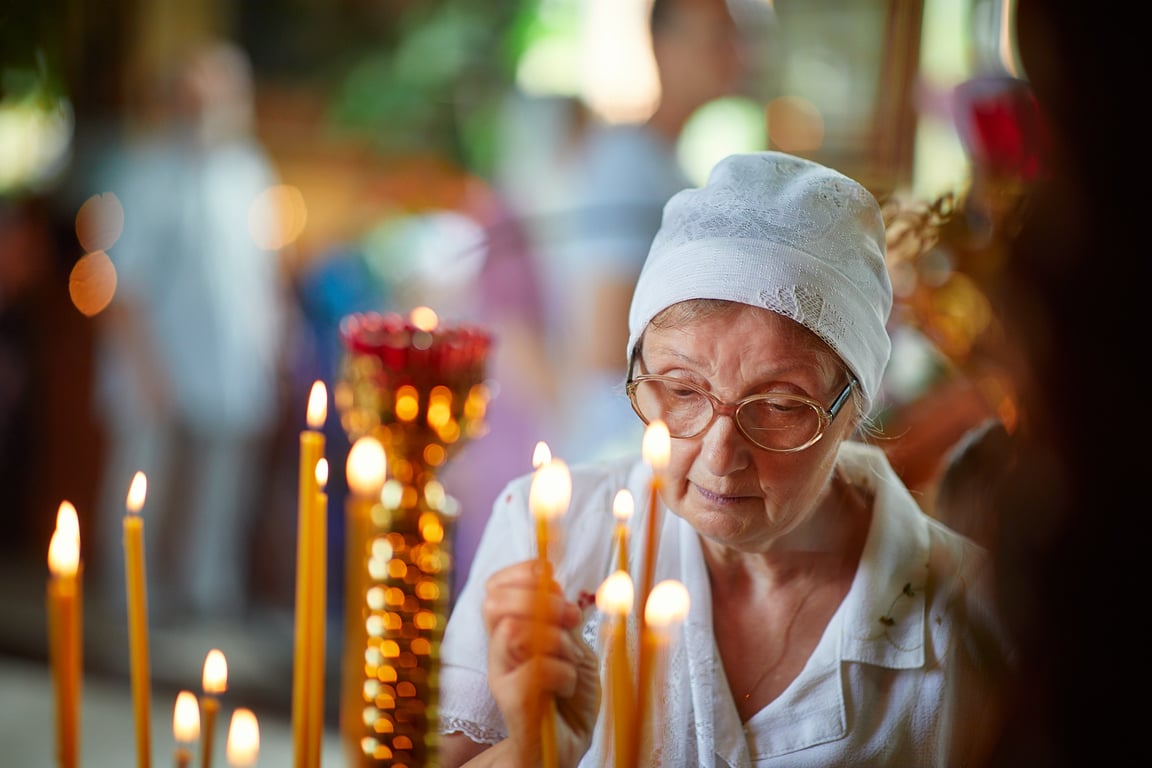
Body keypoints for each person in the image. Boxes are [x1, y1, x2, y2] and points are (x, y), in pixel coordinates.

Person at [436, 151, 1013, 767]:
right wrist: (532, 750)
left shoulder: (971, 615)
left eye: (780, 406)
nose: (719, 455)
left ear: (851, 411)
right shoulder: (554, 537)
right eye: (682, 391)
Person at [90, 40, 291, 620]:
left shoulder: (251, 171)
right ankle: (129, 598)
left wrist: (273, 349)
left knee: (223, 491)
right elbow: (120, 279)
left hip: (231, 361)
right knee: (144, 482)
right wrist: (145, 368)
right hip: (156, 361)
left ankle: (209, 594)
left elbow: (266, 271)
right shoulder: (144, 172)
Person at [541, 0, 751, 465]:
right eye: (720, 37)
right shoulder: (626, 163)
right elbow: (605, 339)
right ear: (663, 46)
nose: (740, 54)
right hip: (628, 443)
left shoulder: (667, 166)